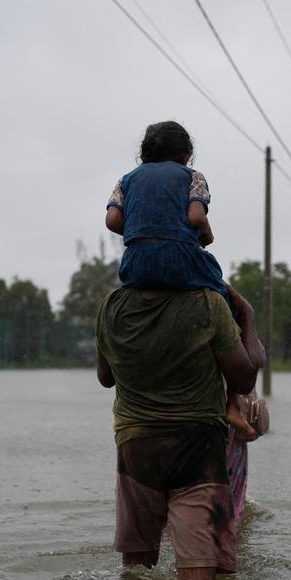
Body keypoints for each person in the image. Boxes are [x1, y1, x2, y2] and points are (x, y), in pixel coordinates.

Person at [96, 281, 265, 580]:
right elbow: (245, 376)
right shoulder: (209, 305)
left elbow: (105, 377)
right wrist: (248, 316)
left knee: (136, 575)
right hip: (197, 447)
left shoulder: (114, 304)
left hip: (136, 442)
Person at [104, 120, 249, 433]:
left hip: (136, 266)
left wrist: (138, 231)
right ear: (186, 155)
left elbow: (112, 219)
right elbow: (196, 216)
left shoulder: (126, 180)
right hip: (182, 261)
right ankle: (234, 404)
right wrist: (206, 234)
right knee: (227, 304)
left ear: (145, 154)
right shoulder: (193, 177)